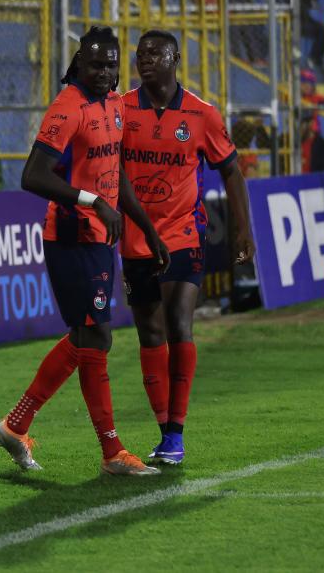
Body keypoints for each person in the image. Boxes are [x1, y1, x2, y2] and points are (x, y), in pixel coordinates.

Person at [0, 26, 167, 478]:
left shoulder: (115, 104)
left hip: (100, 236)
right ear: (80, 64)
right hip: (70, 235)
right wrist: (91, 202)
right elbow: (33, 176)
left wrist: (147, 228)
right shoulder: (67, 107)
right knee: (97, 337)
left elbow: (115, 171)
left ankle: (17, 424)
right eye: (96, 65)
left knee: (89, 337)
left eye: (111, 65)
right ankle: (111, 452)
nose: (105, 73)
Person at [120, 30, 255, 465]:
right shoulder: (122, 110)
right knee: (150, 332)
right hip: (136, 238)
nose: (145, 59)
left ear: (175, 58)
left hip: (184, 234)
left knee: (179, 322)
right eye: (140, 54)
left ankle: (176, 433)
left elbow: (231, 171)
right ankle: (163, 431)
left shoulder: (201, 114)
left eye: (155, 53)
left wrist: (242, 230)